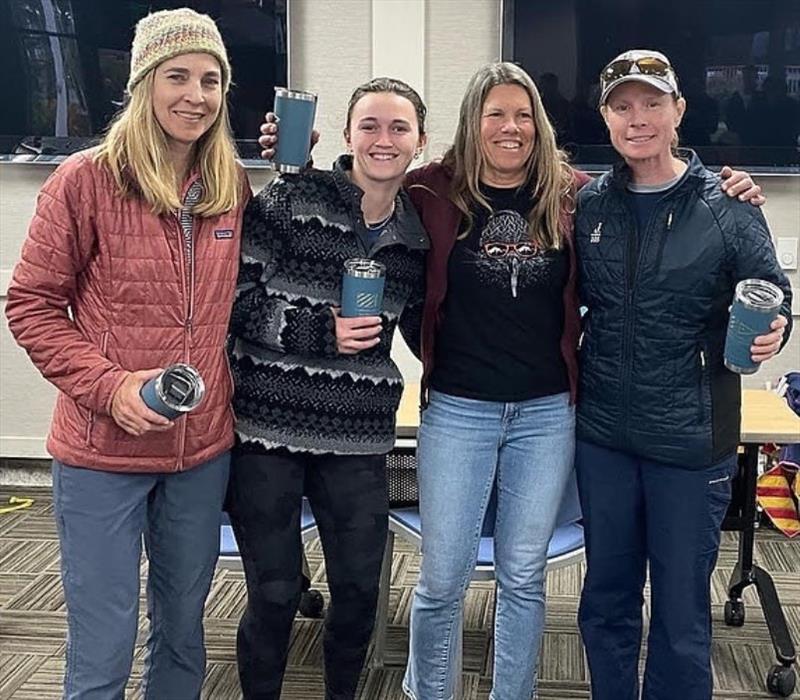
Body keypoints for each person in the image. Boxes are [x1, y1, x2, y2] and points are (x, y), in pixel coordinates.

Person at [258, 62, 763, 700]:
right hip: (458, 411)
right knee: (442, 580)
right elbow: (365, 184)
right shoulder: (432, 192)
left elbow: (652, 202)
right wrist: (297, 157)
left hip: (546, 413)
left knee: (523, 577)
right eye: (495, 113)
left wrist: (724, 187)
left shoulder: (573, 193)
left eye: (523, 114)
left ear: (539, 124)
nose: (510, 126)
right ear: (474, 121)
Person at [4, 9, 249, 699]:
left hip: (200, 451)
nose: (195, 96)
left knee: (181, 634)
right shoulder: (83, 181)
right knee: (103, 644)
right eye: (177, 76)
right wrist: (111, 389)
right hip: (101, 453)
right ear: (144, 83)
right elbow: (32, 305)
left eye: (210, 80)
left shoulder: (230, 183)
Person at [573, 49, 792, 700]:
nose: (636, 118)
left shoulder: (728, 204)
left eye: (651, 103)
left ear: (679, 112)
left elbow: (769, 291)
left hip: (691, 445)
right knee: (605, 602)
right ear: (607, 118)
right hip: (604, 437)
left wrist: (774, 329)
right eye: (621, 106)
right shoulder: (590, 207)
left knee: (680, 617)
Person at [226, 77, 429, 700]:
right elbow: (229, 302)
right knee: (276, 592)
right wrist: (321, 332)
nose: (383, 139)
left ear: (420, 143)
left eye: (399, 128)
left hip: (358, 434)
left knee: (361, 589)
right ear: (347, 135)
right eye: (369, 125)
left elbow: (431, 327)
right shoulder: (292, 199)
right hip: (267, 429)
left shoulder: (418, 242)